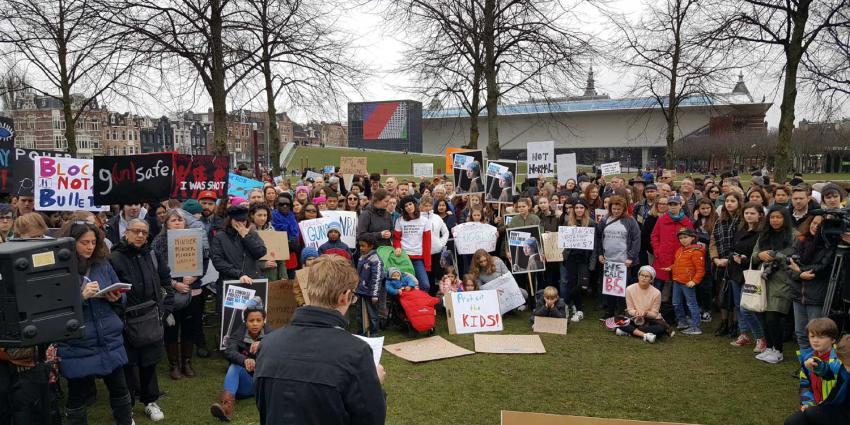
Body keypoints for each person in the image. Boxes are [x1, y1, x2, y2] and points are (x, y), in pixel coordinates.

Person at [254, 255, 386, 424]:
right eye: (353, 296)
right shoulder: (356, 352)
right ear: (344, 296)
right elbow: (371, 419)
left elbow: (265, 407)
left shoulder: (268, 344)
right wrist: (375, 385)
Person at [57, 221, 133, 425]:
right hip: (78, 343)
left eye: (93, 242)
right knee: (77, 395)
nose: (90, 247)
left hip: (109, 338)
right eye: (84, 242)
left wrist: (117, 297)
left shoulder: (102, 263)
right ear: (71, 243)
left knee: (120, 389)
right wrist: (80, 297)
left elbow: (120, 295)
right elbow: (56, 310)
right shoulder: (59, 270)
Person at [109, 218, 173, 422]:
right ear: (125, 233)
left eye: (144, 232)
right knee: (128, 366)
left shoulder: (152, 254)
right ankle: (127, 407)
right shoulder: (114, 258)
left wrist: (165, 308)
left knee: (150, 363)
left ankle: (150, 401)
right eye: (135, 231)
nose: (139, 235)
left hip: (152, 319)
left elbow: (166, 282)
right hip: (126, 322)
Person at [753, 206, 797, 364]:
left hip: (782, 280)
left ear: (785, 218)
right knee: (764, 316)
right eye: (772, 217)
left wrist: (775, 255)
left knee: (773, 316)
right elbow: (754, 254)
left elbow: (792, 257)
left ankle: (778, 350)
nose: (775, 220)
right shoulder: (764, 235)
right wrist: (759, 255)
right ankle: (770, 347)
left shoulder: (793, 235)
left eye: (779, 217)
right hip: (764, 279)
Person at [788, 215, 832, 350]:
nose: (815, 227)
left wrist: (799, 269)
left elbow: (822, 268)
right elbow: (789, 265)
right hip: (798, 295)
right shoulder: (800, 240)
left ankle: (817, 365)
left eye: (819, 225)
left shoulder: (829, 245)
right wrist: (800, 274)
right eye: (814, 223)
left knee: (817, 334)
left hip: (816, 297)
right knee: (801, 333)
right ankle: (806, 364)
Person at [595, 195, 641, 319]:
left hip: (624, 262)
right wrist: (600, 253)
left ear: (624, 209)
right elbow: (598, 237)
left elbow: (636, 239)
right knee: (610, 288)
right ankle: (609, 312)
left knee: (622, 289)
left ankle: (621, 312)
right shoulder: (605, 219)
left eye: (618, 209)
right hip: (609, 261)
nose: (616, 211)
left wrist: (630, 257)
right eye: (614, 209)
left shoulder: (630, 221)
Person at [710, 192, 744, 337]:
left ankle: (735, 324)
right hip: (721, 262)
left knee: (735, 295)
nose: (729, 203)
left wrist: (731, 259)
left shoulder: (743, 220)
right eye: (727, 201)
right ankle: (724, 322)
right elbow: (713, 241)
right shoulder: (719, 220)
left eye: (733, 201)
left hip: (736, 262)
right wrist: (715, 259)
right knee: (722, 293)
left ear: (739, 203)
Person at [560, 199, 595, 322]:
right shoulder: (567, 222)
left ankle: (566, 303)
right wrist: (570, 232)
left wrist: (593, 261)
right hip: (571, 257)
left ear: (585, 209)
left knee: (581, 284)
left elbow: (594, 244)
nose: (579, 210)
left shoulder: (590, 222)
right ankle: (578, 308)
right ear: (573, 210)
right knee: (571, 283)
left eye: (581, 207)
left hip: (584, 259)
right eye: (576, 208)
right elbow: (563, 242)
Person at [798, 318, 842, 411]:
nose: (815, 340)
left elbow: (829, 372)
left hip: (836, 409)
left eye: (821, 337)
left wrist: (816, 366)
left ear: (833, 339)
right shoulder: (807, 358)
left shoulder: (839, 358)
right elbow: (805, 386)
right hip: (816, 407)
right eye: (812, 336)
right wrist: (808, 403)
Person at [615, 265, 667, 343]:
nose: (644, 278)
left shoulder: (657, 293)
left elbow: (654, 314)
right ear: (638, 276)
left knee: (660, 329)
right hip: (634, 317)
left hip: (649, 320)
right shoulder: (629, 289)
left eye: (647, 276)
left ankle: (629, 332)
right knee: (617, 320)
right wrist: (636, 312)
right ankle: (645, 335)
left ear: (651, 279)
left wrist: (646, 313)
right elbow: (630, 309)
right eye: (642, 275)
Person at [668, 228, 705, 335]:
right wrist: (671, 267)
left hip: (688, 283)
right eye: (680, 238)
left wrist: (694, 281)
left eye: (685, 237)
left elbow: (700, 269)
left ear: (692, 238)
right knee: (676, 303)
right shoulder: (680, 250)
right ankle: (682, 322)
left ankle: (695, 327)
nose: (683, 240)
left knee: (691, 304)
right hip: (677, 281)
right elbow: (679, 264)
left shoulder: (696, 252)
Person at [651, 195, 694, 286]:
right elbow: (654, 236)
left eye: (675, 204)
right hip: (663, 257)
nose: (673, 206)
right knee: (658, 284)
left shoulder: (687, 222)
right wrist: (657, 250)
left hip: (680, 257)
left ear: (680, 205)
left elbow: (691, 239)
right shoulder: (662, 220)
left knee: (678, 285)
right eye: (670, 204)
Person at [393, 196, 432, 292]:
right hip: (403, 257)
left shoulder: (424, 221)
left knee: (425, 285)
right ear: (403, 209)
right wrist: (397, 247)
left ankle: (421, 305)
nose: (409, 207)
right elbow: (396, 238)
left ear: (415, 204)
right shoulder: (400, 220)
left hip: (418, 258)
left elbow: (427, 244)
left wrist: (427, 264)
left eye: (410, 204)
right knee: (404, 286)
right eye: (406, 206)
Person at [355, 234, 383, 336]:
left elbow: (377, 278)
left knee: (372, 314)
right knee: (360, 314)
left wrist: (375, 294)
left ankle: (373, 332)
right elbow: (358, 275)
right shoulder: (362, 257)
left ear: (371, 246)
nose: (361, 248)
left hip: (370, 294)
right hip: (360, 291)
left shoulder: (376, 260)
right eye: (359, 246)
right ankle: (362, 331)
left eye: (363, 246)